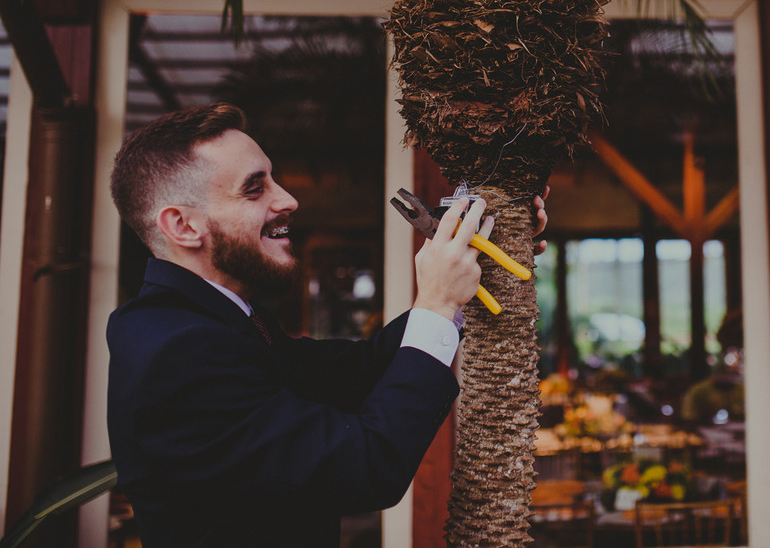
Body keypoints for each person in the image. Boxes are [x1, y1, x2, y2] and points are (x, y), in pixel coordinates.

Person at [105, 103, 547, 548]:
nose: (288, 199)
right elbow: (367, 467)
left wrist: (460, 278)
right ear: (182, 225)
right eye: (255, 189)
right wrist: (436, 301)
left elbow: (359, 368)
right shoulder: (177, 351)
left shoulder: (213, 320)